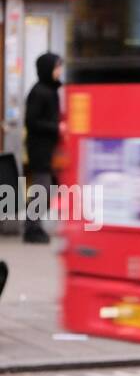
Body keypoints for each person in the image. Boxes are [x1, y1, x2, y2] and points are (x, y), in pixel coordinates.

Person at [23, 52, 63, 244]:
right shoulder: (39, 91)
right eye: (57, 67)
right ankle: (32, 228)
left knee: (50, 188)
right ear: (48, 69)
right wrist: (57, 127)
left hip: (50, 148)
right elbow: (31, 121)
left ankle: (33, 224)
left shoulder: (51, 90)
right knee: (43, 188)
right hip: (39, 148)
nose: (60, 71)